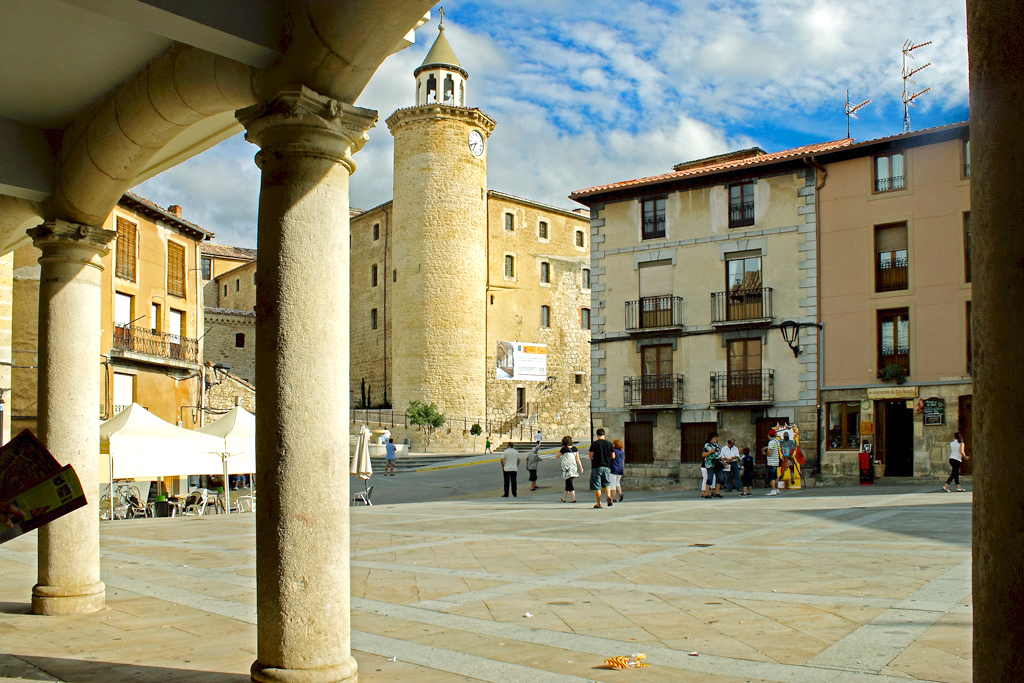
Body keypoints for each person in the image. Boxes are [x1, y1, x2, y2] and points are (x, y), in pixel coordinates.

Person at [588, 428, 615, 508]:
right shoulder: (609, 444)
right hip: (606, 466)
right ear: (604, 435)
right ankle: (609, 496)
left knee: (597, 485)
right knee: (607, 483)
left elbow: (590, 455)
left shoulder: (594, 444)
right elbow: (613, 456)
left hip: (596, 466)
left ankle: (599, 503)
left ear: (597, 435)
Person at [559, 435, 584, 503]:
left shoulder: (563, 449)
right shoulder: (575, 449)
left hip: (566, 468)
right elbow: (578, 458)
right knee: (568, 482)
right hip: (573, 467)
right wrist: (581, 467)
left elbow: (557, 456)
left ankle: (573, 498)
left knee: (569, 483)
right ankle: (564, 498)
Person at [702, 433, 723, 499]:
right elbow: (703, 455)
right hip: (710, 464)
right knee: (710, 478)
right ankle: (706, 494)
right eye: (715, 438)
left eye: (716, 438)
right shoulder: (707, 445)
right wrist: (710, 452)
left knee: (720, 478)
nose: (716, 439)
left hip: (717, 463)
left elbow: (719, 454)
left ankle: (717, 493)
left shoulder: (717, 445)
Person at [764, 429, 781, 496]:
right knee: (775, 476)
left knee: (771, 477)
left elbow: (770, 453)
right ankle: (777, 489)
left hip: (771, 461)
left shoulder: (771, 442)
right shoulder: (776, 441)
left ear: (769, 435)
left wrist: (765, 453)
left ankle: (773, 490)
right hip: (776, 460)